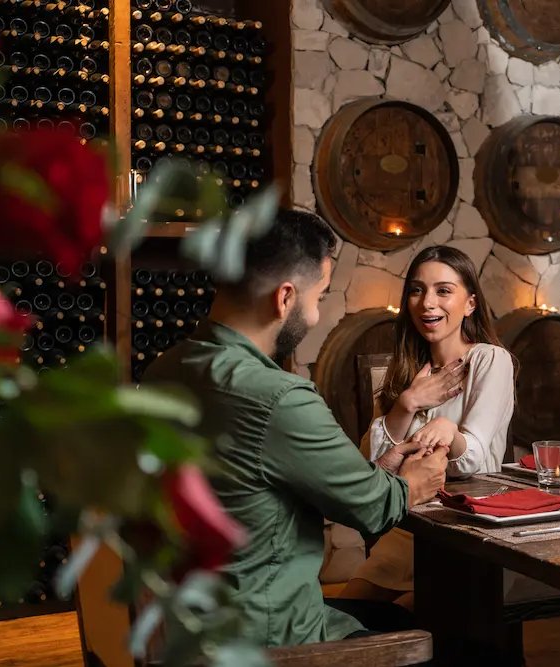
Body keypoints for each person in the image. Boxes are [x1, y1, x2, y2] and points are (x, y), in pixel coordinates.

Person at [140, 208, 449, 647]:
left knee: (397, 614)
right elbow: (374, 508)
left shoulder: (163, 370)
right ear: (285, 298)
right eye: (319, 297)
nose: (317, 315)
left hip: (191, 628)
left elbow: (253, 488)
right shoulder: (280, 397)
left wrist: (378, 465)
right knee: (478, 652)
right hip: (275, 639)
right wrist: (413, 484)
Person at [340, 245, 515, 606]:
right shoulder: (405, 370)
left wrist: (451, 434)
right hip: (406, 533)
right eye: (417, 290)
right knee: (342, 623)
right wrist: (408, 403)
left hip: (464, 534)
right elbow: (371, 464)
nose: (426, 303)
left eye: (443, 290)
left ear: (470, 303)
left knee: (406, 632)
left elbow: (477, 460)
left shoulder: (490, 360)